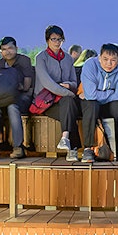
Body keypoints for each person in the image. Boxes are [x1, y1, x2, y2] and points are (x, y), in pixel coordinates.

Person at [79, 43, 118, 163]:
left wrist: (100, 94)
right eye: (105, 59)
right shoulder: (90, 65)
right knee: (91, 105)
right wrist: (110, 93)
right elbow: (90, 95)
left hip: (110, 103)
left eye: (113, 60)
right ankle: (88, 149)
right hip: (91, 103)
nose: (109, 64)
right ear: (99, 57)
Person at [34, 25, 82, 162]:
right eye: (53, 39)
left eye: (60, 39)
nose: (56, 42)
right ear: (47, 40)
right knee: (70, 107)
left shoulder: (67, 58)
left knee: (68, 105)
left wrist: (69, 86)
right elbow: (47, 83)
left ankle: (65, 139)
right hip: (47, 102)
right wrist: (68, 93)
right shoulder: (41, 58)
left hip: (64, 100)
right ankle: (72, 149)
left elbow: (74, 82)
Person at [0, 36, 33, 159]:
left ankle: (18, 147)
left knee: (13, 107)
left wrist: (12, 88)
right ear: (1, 52)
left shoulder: (24, 61)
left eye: (10, 48)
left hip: (21, 97)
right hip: (2, 98)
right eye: (4, 49)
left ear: (16, 48)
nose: (8, 51)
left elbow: (27, 85)